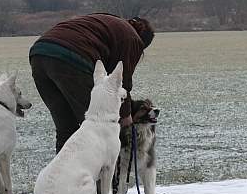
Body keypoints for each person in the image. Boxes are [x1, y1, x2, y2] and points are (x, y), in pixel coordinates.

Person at [29, 13, 155, 153]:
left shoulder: (109, 22)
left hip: (39, 53)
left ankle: (64, 173)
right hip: (71, 58)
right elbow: (121, 83)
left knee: (66, 129)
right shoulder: (133, 39)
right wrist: (126, 118)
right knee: (94, 127)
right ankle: (97, 173)